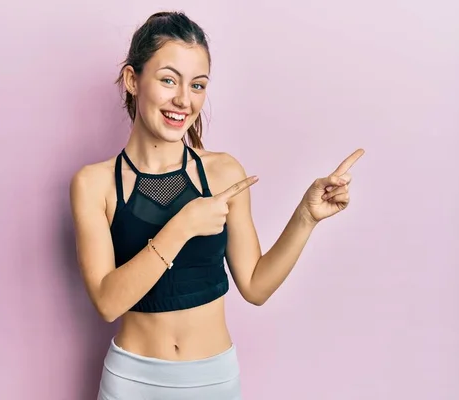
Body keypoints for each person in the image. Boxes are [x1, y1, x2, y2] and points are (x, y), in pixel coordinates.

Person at [69, 10, 364, 400]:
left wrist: (306, 217)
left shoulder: (224, 173)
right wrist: (182, 226)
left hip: (213, 380)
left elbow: (256, 286)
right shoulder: (94, 184)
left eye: (198, 85)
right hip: (131, 381)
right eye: (168, 80)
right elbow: (108, 303)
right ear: (132, 80)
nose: (183, 100)